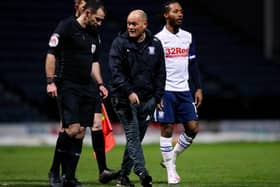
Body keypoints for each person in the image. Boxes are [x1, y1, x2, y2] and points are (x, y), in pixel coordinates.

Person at [45, 0, 110, 186]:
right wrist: (50, 82)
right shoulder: (66, 26)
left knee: (81, 132)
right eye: (98, 19)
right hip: (68, 85)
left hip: (87, 87)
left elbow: (94, 61)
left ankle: (70, 177)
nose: (100, 24)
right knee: (71, 129)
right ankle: (54, 170)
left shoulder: (94, 33)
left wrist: (100, 83)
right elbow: (51, 53)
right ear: (88, 13)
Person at [109, 9, 166, 187]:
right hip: (123, 99)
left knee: (135, 141)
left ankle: (123, 177)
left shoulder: (156, 44)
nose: (131, 27)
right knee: (133, 137)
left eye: (134, 24)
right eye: (128, 24)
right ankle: (142, 173)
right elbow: (116, 72)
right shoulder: (119, 43)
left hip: (147, 100)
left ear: (144, 25)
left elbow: (161, 73)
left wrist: (158, 97)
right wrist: (129, 91)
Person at [154, 0, 203, 184]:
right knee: (167, 128)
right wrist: (156, 93)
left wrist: (197, 87)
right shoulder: (158, 39)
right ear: (166, 15)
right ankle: (170, 172)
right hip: (166, 90)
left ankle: (171, 158)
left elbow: (193, 63)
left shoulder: (188, 37)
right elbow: (154, 68)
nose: (180, 14)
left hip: (184, 91)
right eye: (175, 11)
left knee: (193, 128)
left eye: (181, 11)